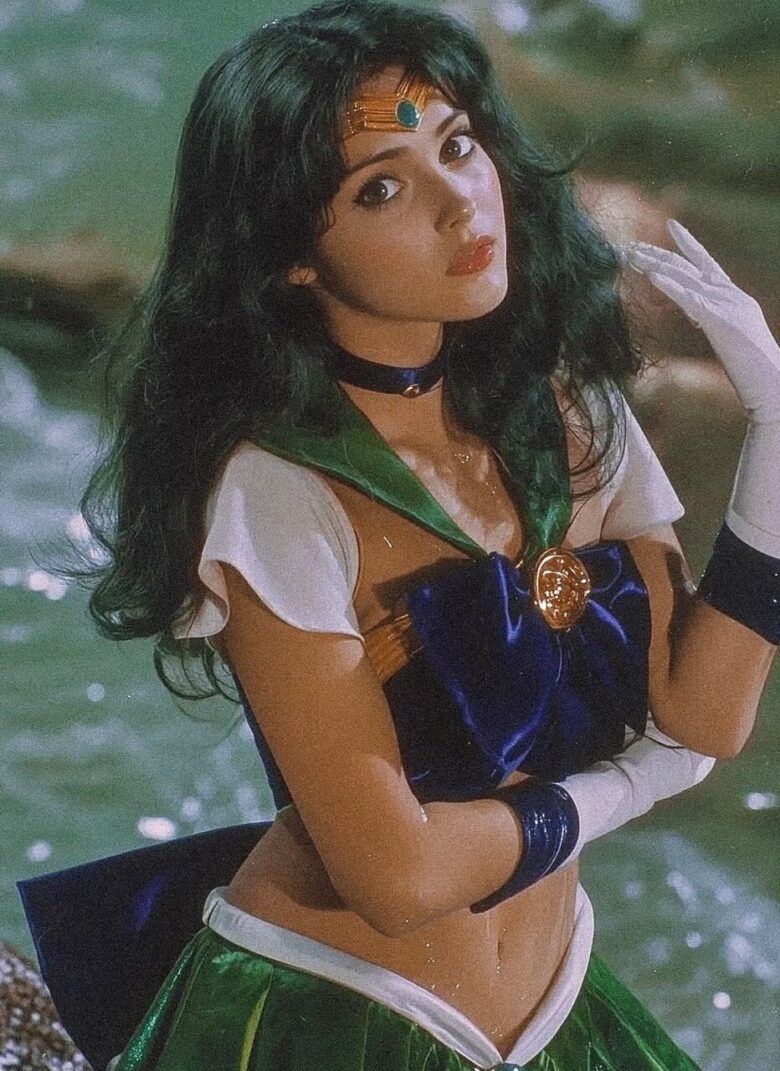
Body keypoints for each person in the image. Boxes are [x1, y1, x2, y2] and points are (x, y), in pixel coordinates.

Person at [24, 2, 780, 1069]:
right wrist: (626, 788)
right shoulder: (276, 491)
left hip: (555, 1004)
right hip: (332, 1011)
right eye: (381, 188)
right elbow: (396, 877)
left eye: (457, 145)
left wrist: (774, 437)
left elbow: (702, 710)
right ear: (291, 255)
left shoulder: (568, 410)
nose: (458, 199)